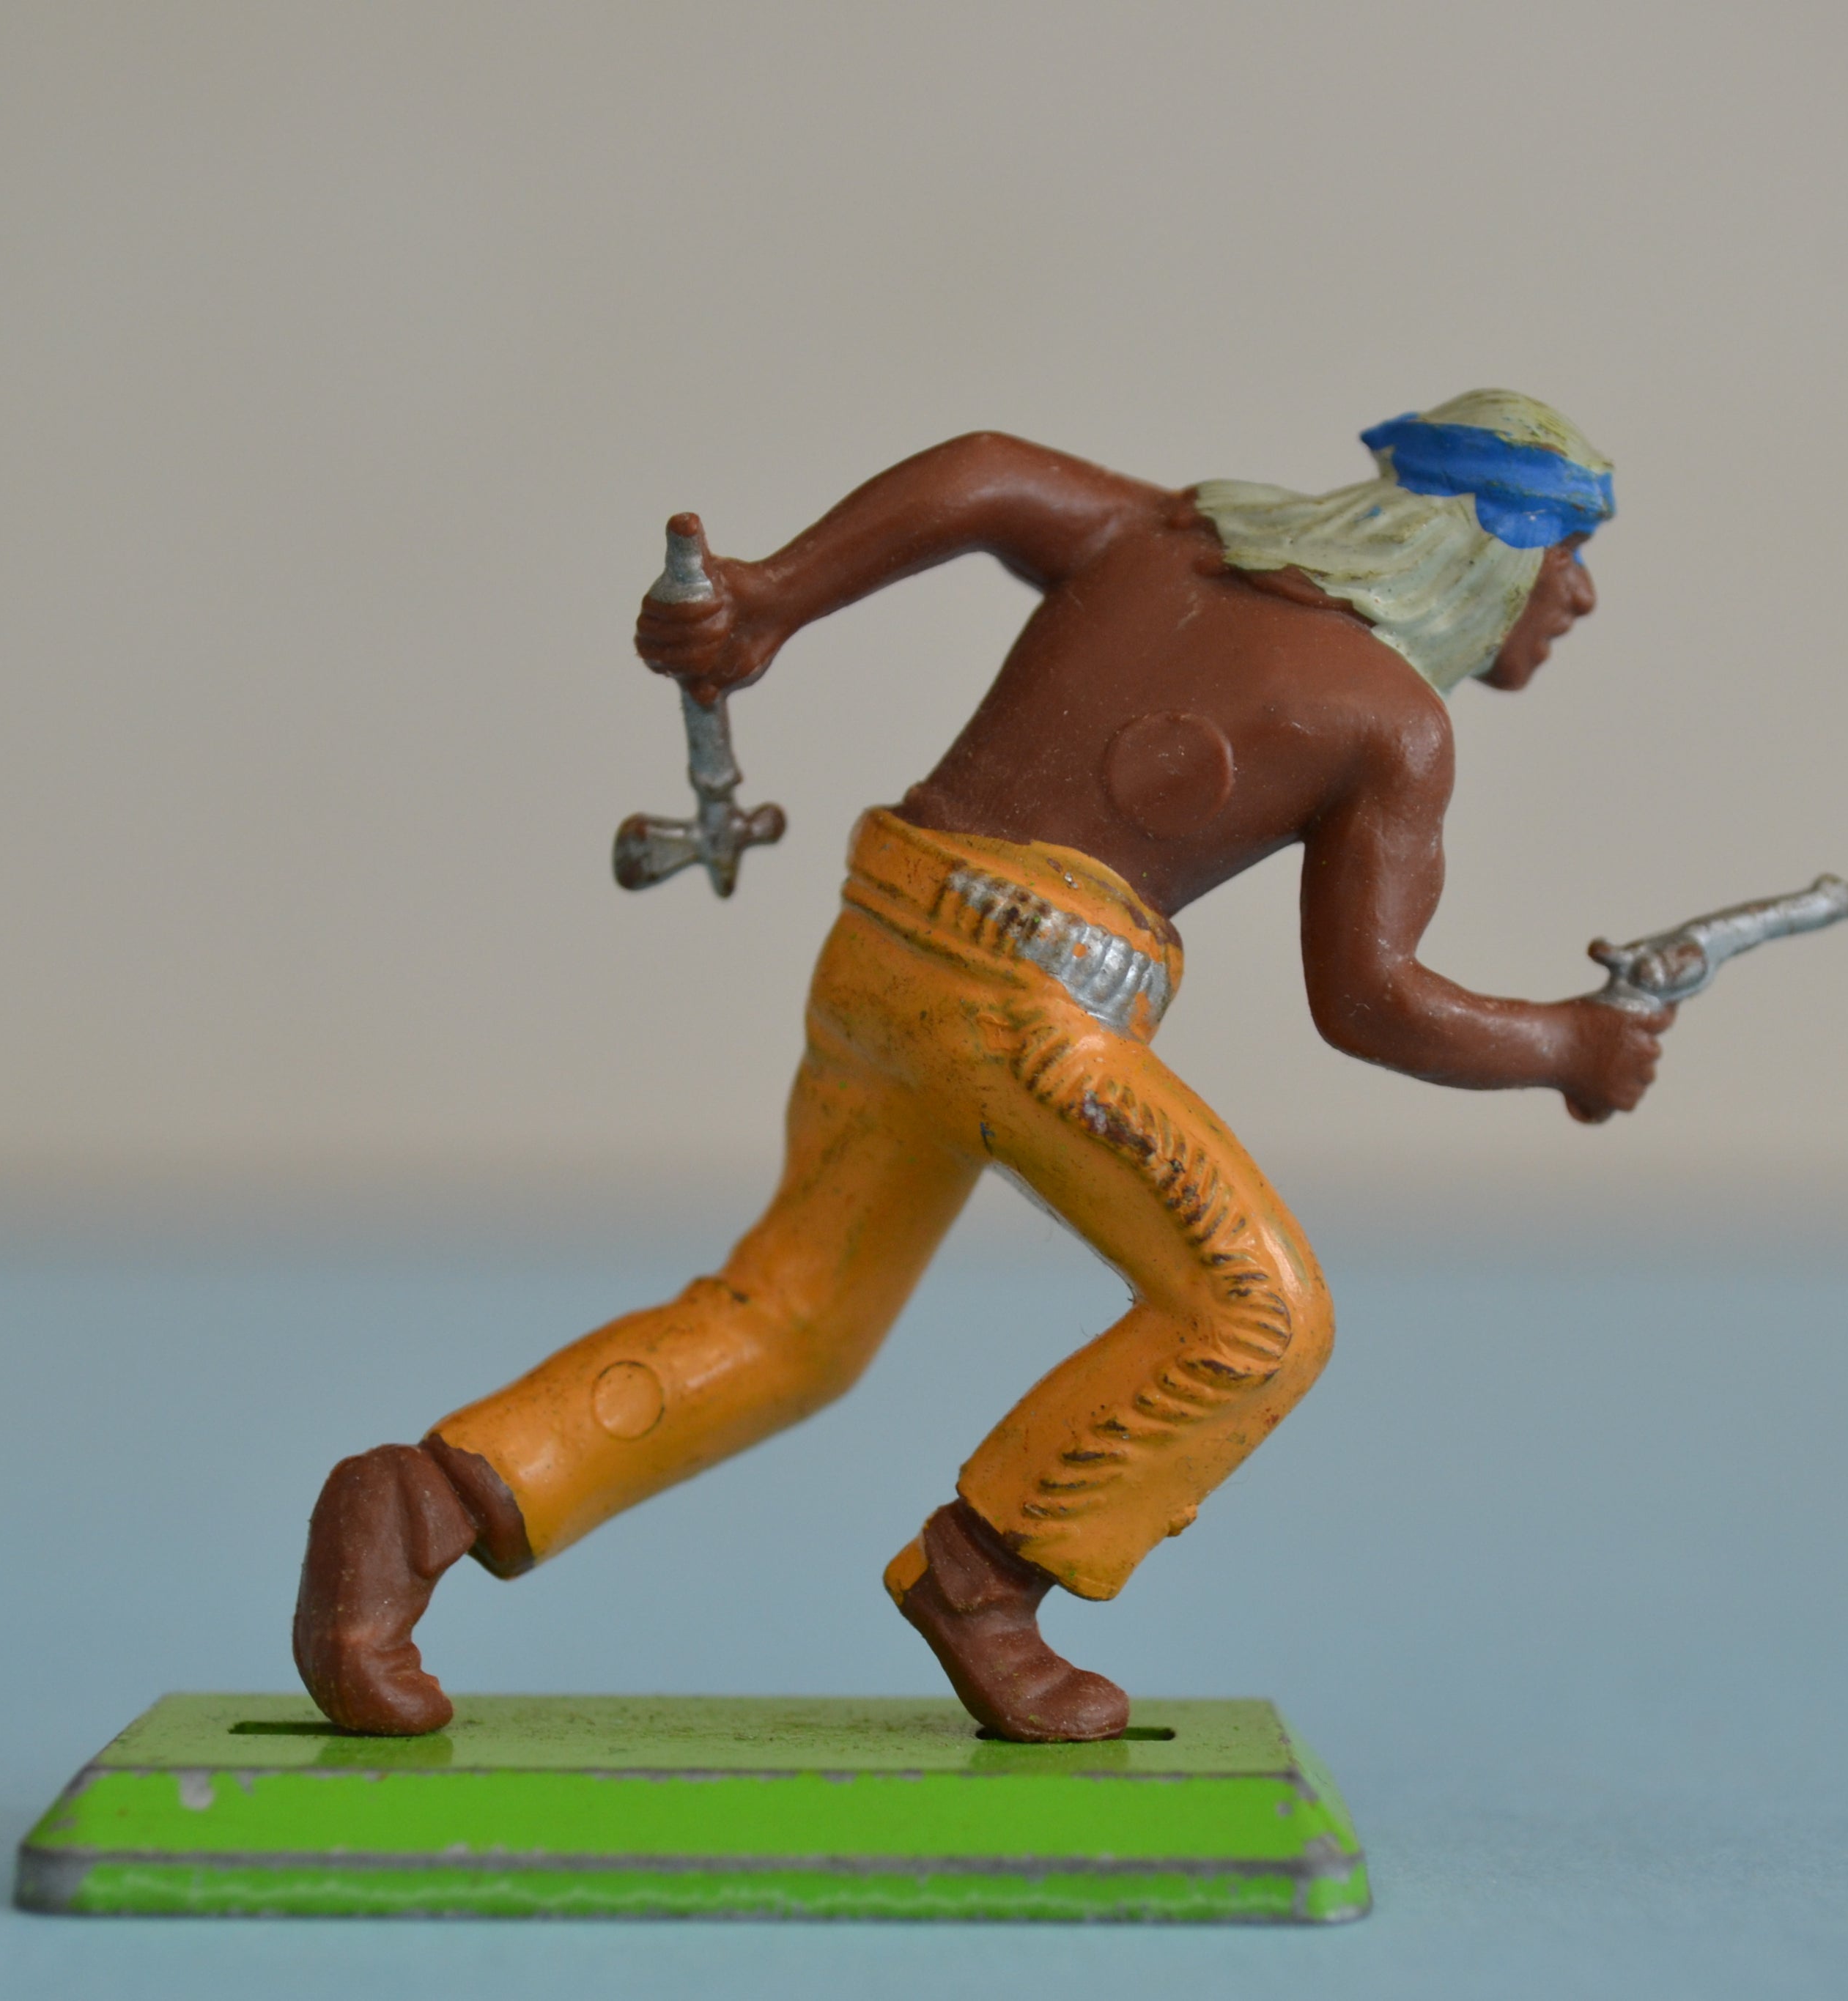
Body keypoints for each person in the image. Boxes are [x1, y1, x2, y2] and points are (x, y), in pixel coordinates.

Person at [292, 391, 1671, 1741]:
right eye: (1570, 554)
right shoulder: (1394, 725)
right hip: (1033, 1010)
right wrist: (1573, 1045)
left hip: (884, 946)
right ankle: (983, 1587)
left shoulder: (1166, 535)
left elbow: (989, 470)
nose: (1580, 596)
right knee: (1260, 1315)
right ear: (1489, 546)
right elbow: (1372, 1003)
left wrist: (776, 594)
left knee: (791, 1319)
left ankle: (427, 1504)